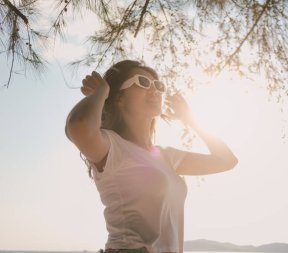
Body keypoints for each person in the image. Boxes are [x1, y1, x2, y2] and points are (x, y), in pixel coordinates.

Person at [65, 60, 238, 253]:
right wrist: (101, 92)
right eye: (143, 82)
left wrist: (191, 120)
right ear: (119, 98)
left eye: (157, 85)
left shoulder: (166, 156)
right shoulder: (113, 147)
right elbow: (79, 124)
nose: (154, 89)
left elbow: (226, 160)